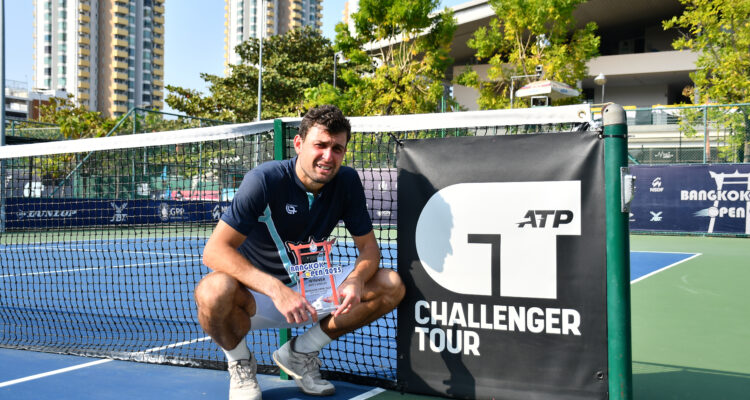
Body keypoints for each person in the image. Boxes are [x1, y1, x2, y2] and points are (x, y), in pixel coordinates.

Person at [195, 105, 405, 400]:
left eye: (337, 148)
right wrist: (277, 289)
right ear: (298, 144)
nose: (328, 156)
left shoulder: (346, 182)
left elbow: (369, 248)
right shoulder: (265, 180)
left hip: (311, 287)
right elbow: (214, 252)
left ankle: (301, 352)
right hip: (257, 296)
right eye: (320, 145)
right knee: (212, 291)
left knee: (390, 285)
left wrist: (357, 280)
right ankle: (240, 363)